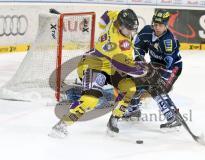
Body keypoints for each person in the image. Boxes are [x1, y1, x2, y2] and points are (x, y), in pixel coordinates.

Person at [49, 9, 143, 138]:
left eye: (133, 29)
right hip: (94, 65)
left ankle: (114, 119)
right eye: (129, 29)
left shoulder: (116, 17)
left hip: (110, 65)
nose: (131, 32)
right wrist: (145, 70)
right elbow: (128, 67)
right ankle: (62, 124)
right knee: (90, 100)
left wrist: (103, 24)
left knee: (129, 88)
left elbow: (105, 16)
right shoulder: (115, 43)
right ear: (120, 26)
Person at [124, 9, 183, 128]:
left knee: (155, 87)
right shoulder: (146, 31)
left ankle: (172, 115)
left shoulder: (168, 41)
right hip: (154, 64)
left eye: (160, 25)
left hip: (173, 67)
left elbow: (169, 63)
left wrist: (155, 76)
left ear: (166, 25)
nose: (157, 27)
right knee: (135, 82)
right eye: (155, 24)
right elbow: (139, 48)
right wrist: (139, 60)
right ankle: (133, 110)